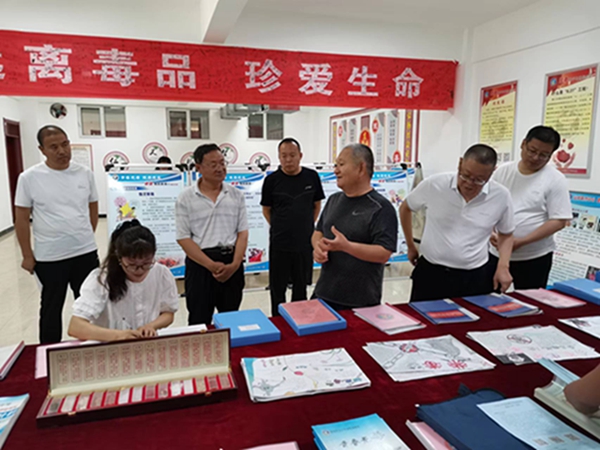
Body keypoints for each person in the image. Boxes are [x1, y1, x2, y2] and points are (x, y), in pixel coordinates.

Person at [14, 125, 99, 344]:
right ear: (42, 150)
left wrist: (85, 236)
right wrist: (27, 255)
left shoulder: (84, 173)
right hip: (50, 257)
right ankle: (48, 353)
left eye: (65, 144)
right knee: (51, 309)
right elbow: (21, 219)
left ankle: (92, 347)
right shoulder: (29, 178)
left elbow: (92, 207)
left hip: (85, 253)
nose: (62, 151)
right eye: (53, 147)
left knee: (91, 304)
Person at [400, 144, 515, 302]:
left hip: (474, 276)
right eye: (465, 175)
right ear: (460, 163)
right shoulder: (435, 185)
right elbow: (406, 208)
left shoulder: (501, 196)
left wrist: (503, 266)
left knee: (472, 317)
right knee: (423, 316)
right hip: (431, 273)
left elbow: (506, 234)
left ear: (492, 172)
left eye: (479, 180)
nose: (469, 183)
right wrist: (410, 245)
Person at [312, 144, 398, 310]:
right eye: (336, 165)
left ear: (360, 168)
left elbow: (384, 253)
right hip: (324, 293)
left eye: (341, 164)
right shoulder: (334, 200)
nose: (336, 170)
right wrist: (317, 248)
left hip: (360, 302)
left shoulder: (381, 208)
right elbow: (318, 232)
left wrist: (347, 247)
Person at [489, 126, 572, 289]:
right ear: (523, 144)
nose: (535, 158)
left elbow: (559, 221)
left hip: (534, 257)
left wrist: (521, 241)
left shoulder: (556, 179)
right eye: (532, 151)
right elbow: (490, 206)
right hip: (496, 253)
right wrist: (491, 233)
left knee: (530, 300)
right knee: (489, 298)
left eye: (543, 155)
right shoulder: (503, 172)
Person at [68, 220, 178, 342]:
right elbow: (76, 327)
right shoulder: (101, 279)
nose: (139, 270)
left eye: (146, 263)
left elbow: (168, 313)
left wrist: (151, 326)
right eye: (132, 265)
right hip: (109, 346)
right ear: (119, 258)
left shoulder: (161, 273)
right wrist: (118, 336)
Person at [176, 144, 249, 325]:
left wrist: (234, 265)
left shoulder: (236, 195)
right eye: (213, 164)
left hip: (231, 262)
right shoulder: (186, 198)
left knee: (231, 320)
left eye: (222, 163)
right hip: (200, 265)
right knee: (199, 321)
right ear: (198, 167)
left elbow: (242, 233)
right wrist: (211, 265)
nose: (220, 168)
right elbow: (183, 238)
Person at [261, 138, 325, 316]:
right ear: (279, 157)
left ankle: (299, 322)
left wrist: (305, 226)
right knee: (277, 289)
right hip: (279, 243)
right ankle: (278, 322)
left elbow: (316, 205)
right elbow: (266, 209)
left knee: (300, 288)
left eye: (292, 155)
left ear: (300, 156)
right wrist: (280, 226)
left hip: (304, 243)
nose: (288, 160)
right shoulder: (271, 180)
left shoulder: (311, 176)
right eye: (284, 156)